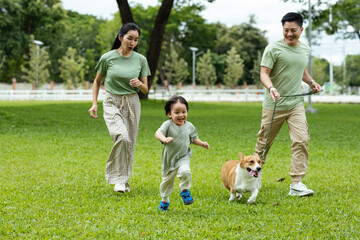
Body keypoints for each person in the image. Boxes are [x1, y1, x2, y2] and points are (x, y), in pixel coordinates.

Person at [254, 12, 321, 197]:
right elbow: (264, 73)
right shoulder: (273, 48)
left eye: (293, 30)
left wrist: (311, 82)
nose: (289, 34)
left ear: (301, 29)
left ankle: (296, 183)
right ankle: (254, 174)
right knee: (264, 142)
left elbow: (301, 70)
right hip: (274, 104)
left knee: (301, 140)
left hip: (295, 104)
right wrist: (271, 88)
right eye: (286, 30)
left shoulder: (305, 50)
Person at [88, 23, 151, 193]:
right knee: (122, 137)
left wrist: (139, 84)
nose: (132, 42)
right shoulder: (107, 58)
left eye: (136, 40)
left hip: (132, 103)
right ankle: (117, 178)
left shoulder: (141, 60)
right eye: (129, 38)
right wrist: (94, 103)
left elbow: (146, 89)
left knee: (129, 144)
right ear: (120, 37)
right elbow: (97, 81)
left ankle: (122, 181)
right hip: (111, 101)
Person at [155, 96, 210, 211]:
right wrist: (164, 139)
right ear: (170, 114)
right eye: (177, 112)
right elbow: (158, 133)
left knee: (185, 171)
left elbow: (194, 138)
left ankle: (185, 191)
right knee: (166, 182)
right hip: (169, 159)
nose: (181, 115)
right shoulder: (167, 125)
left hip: (183, 156)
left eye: (184, 112)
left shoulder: (189, 126)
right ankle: (165, 200)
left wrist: (202, 143)